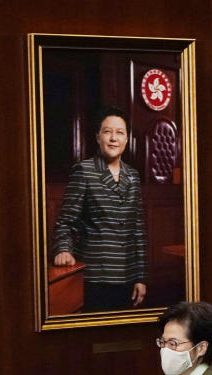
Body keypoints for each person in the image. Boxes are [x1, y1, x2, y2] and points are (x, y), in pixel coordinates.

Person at [52, 106, 148, 312]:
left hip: (127, 276)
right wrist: (63, 249)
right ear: (98, 137)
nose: (114, 138)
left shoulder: (133, 175)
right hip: (95, 276)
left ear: (127, 139)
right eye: (108, 131)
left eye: (120, 132)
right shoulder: (84, 171)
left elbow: (138, 231)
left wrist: (141, 277)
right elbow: (65, 222)